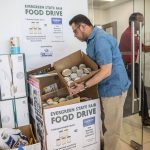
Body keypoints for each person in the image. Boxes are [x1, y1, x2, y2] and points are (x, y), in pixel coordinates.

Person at [68, 14, 131, 150]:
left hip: (113, 88)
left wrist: (83, 85)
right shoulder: (92, 40)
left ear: (83, 26)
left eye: (75, 31)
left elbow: (106, 71)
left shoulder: (100, 40)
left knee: (112, 129)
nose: (74, 35)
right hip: (105, 86)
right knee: (106, 124)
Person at [119, 12, 150, 126]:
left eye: (143, 19)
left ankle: (145, 117)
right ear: (133, 22)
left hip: (130, 66)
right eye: (140, 20)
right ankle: (145, 118)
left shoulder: (133, 34)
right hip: (129, 66)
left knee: (137, 92)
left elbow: (143, 48)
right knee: (141, 92)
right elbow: (126, 53)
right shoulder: (129, 35)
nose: (142, 22)